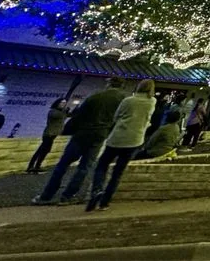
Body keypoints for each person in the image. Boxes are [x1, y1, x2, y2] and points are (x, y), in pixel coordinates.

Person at [32, 77, 127, 206]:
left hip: (83, 133)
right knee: (84, 167)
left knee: (63, 165)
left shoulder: (96, 96)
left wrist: (70, 129)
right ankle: (68, 196)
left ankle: (46, 195)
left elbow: (80, 115)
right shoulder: (123, 100)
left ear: (109, 84)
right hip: (101, 134)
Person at [86, 79, 157, 211]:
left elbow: (117, 116)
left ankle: (97, 190)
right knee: (117, 173)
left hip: (118, 137)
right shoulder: (152, 102)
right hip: (135, 139)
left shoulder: (128, 100)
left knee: (102, 165)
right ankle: (104, 202)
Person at [27, 98, 68, 174]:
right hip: (49, 134)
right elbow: (59, 115)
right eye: (62, 103)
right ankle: (33, 167)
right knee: (42, 150)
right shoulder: (53, 111)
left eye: (65, 103)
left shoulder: (61, 112)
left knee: (43, 150)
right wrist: (65, 111)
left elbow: (66, 116)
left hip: (52, 135)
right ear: (57, 103)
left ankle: (34, 167)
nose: (63, 104)